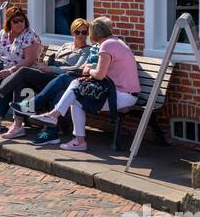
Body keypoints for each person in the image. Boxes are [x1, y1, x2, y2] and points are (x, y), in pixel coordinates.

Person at [30, 17, 141, 151]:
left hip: (122, 96)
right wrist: (91, 69)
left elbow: (99, 74)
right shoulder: (116, 42)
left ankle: (56, 118)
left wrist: (88, 69)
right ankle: (76, 138)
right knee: (76, 90)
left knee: (76, 90)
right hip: (120, 92)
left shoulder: (106, 45)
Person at [0, 18, 93, 140]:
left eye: (84, 32)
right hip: (47, 75)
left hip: (59, 79)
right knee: (21, 82)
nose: (81, 35)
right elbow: (52, 60)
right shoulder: (66, 46)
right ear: (72, 32)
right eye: (78, 32)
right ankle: (18, 125)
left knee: (23, 71)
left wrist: (52, 69)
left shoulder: (87, 50)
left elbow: (77, 69)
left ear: (87, 34)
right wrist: (43, 64)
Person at [0, 5, 43, 99]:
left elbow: (29, 61)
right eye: (15, 21)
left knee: (6, 83)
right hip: (1, 70)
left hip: (20, 73)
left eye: (22, 20)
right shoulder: (3, 34)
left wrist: (10, 71)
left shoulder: (30, 35)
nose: (20, 23)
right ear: (9, 23)